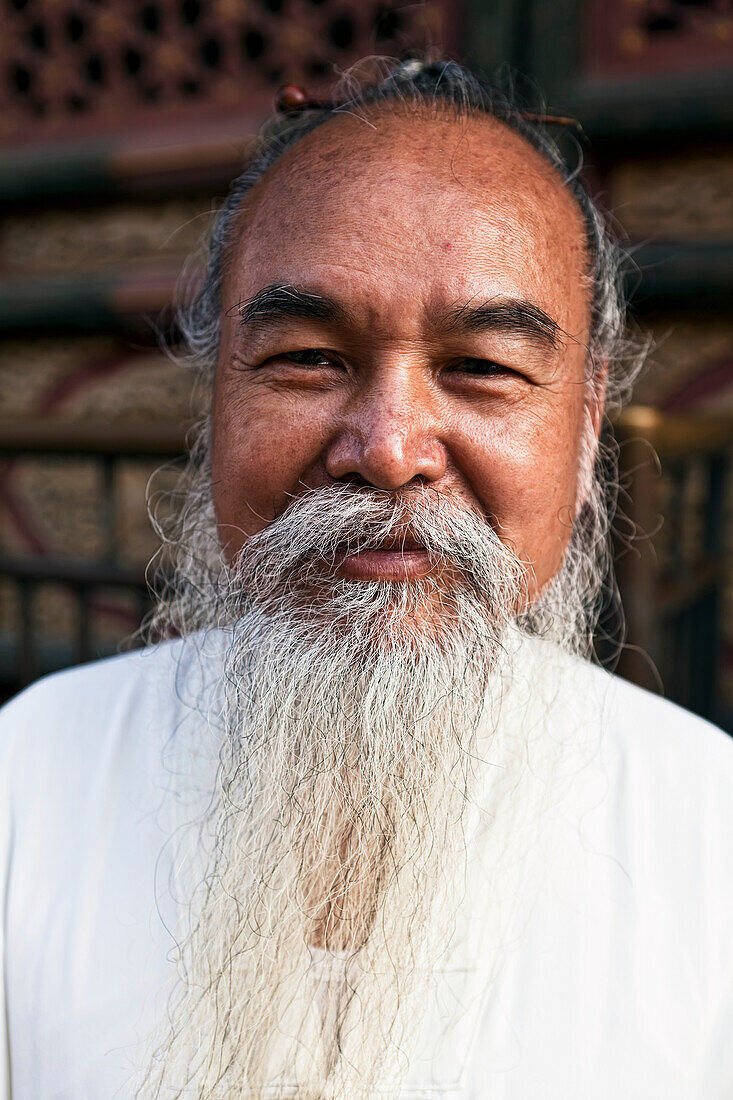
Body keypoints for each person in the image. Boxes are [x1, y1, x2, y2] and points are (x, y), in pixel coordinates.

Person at [1, 57, 731, 1100]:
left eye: (481, 368)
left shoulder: (707, 834)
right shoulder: (24, 779)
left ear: (582, 423)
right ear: (213, 399)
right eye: (306, 357)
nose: (389, 449)